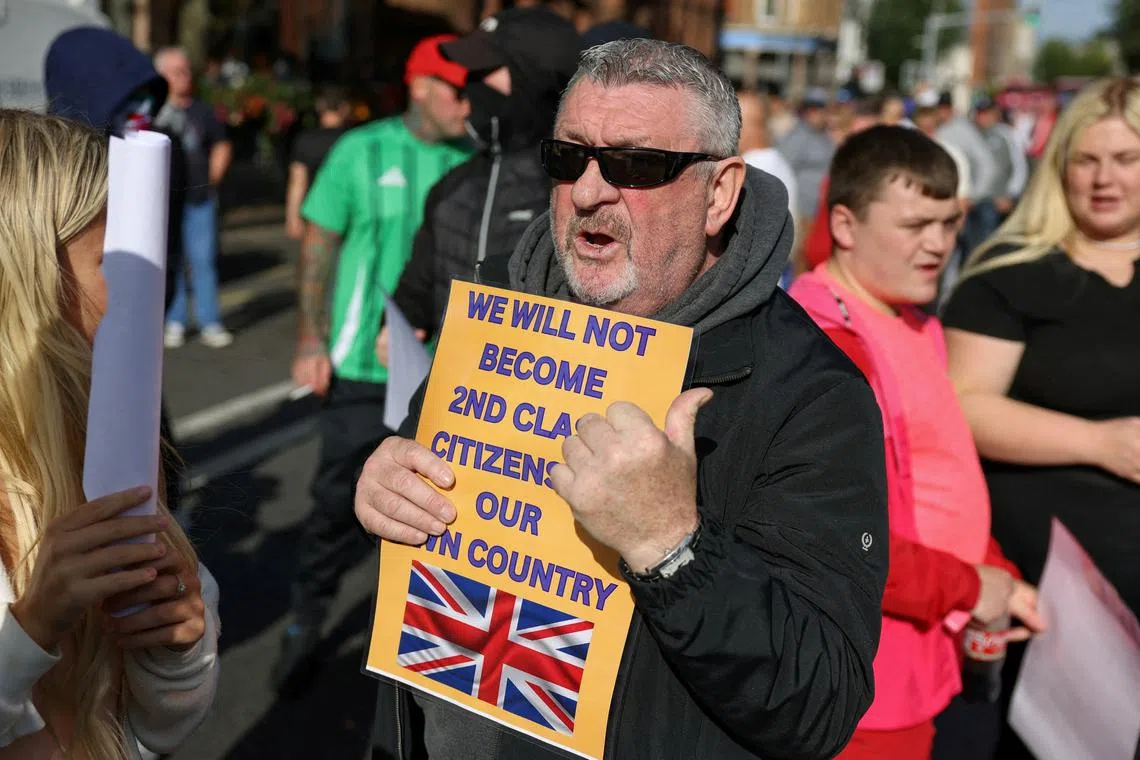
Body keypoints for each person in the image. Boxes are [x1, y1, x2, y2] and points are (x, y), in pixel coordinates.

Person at [356, 39, 888, 760]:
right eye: (568, 157)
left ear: (720, 193)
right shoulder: (493, 308)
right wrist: (387, 488)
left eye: (636, 165)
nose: (589, 191)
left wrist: (673, 547)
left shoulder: (809, 394)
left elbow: (818, 703)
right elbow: (417, 501)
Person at [789, 125, 1045, 760]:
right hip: (864, 682)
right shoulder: (829, 345)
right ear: (845, 226)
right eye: (914, 225)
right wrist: (968, 585)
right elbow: (848, 539)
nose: (938, 245)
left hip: (925, 652)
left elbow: (939, 478)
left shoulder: (913, 318)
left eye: (950, 222)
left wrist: (996, 575)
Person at [0, 109, 220, 760]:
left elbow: (147, 732)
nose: (143, 295)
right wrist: (32, 628)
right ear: (33, 277)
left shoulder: (100, 438)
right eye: (115, 263)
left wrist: (178, 653)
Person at [940, 76, 1140, 760]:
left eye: (1126, 158)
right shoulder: (1012, 276)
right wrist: (1100, 443)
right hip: (1054, 602)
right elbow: (961, 407)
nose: (1105, 178)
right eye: (1087, 160)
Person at [272, 34, 474, 695]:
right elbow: (319, 248)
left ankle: (411, 656)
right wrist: (310, 340)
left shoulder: (476, 162)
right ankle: (306, 620)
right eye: (455, 87)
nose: (466, 100)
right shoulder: (360, 150)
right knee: (336, 508)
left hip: (442, 376)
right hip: (362, 367)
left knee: (433, 515)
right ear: (419, 86)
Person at [44, 25, 188, 522]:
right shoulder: (53, 175)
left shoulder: (162, 156)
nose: (142, 113)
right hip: (64, 358)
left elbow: (161, 255)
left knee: (144, 468)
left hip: (128, 356)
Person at [383, 6, 583, 351]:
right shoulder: (453, 185)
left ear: (536, 79)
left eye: (486, 70)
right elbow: (419, 284)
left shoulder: (580, 188)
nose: (470, 82)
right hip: (455, 393)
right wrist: (401, 323)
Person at [154, 46, 234, 350]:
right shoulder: (154, 111)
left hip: (200, 198)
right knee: (170, 261)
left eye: (186, 70)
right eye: (176, 72)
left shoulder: (203, 110)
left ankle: (209, 321)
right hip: (166, 201)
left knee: (203, 260)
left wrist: (213, 177)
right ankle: (174, 321)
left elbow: (221, 144)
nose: (184, 77)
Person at [285, 85, 352, 241]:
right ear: (345, 108)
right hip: (349, 212)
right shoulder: (353, 141)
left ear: (320, 108)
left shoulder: (305, 141)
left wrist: (292, 217)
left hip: (316, 215)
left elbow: (297, 182)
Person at [972, 97, 1028, 224]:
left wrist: (1011, 194)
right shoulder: (972, 134)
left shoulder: (1007, 134)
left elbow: (1019, 166)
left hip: (996, 200)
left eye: (987, 113)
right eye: (981, 113)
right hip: (974, 200)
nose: (984, 117)